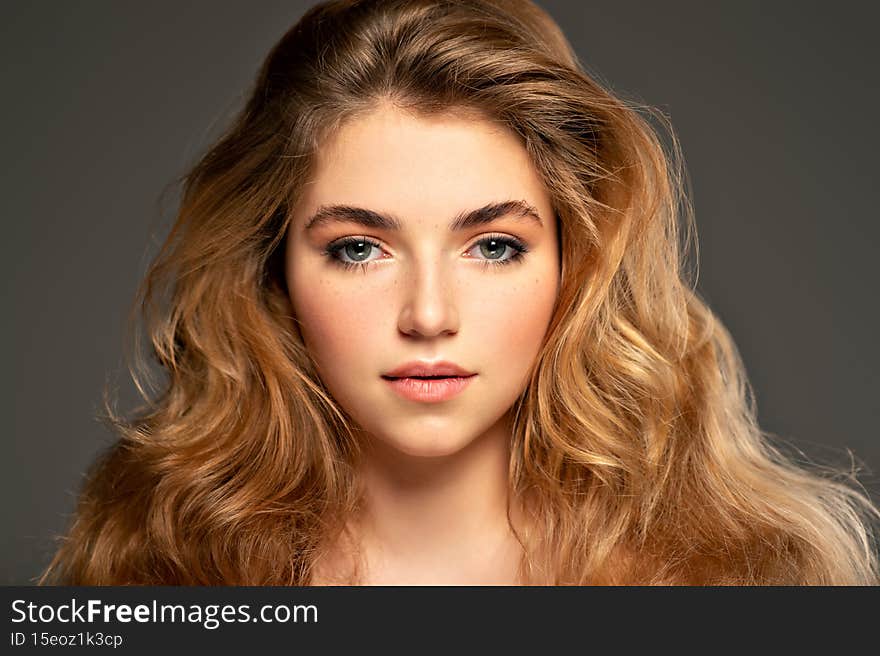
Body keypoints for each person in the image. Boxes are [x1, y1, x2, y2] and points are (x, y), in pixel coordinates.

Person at [42, 0, 879, 585]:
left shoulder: (743, 580)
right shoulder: (159, 577)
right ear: (273, 271)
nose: (430, 316)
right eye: (360, 248)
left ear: (573, 263)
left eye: (494, 245)